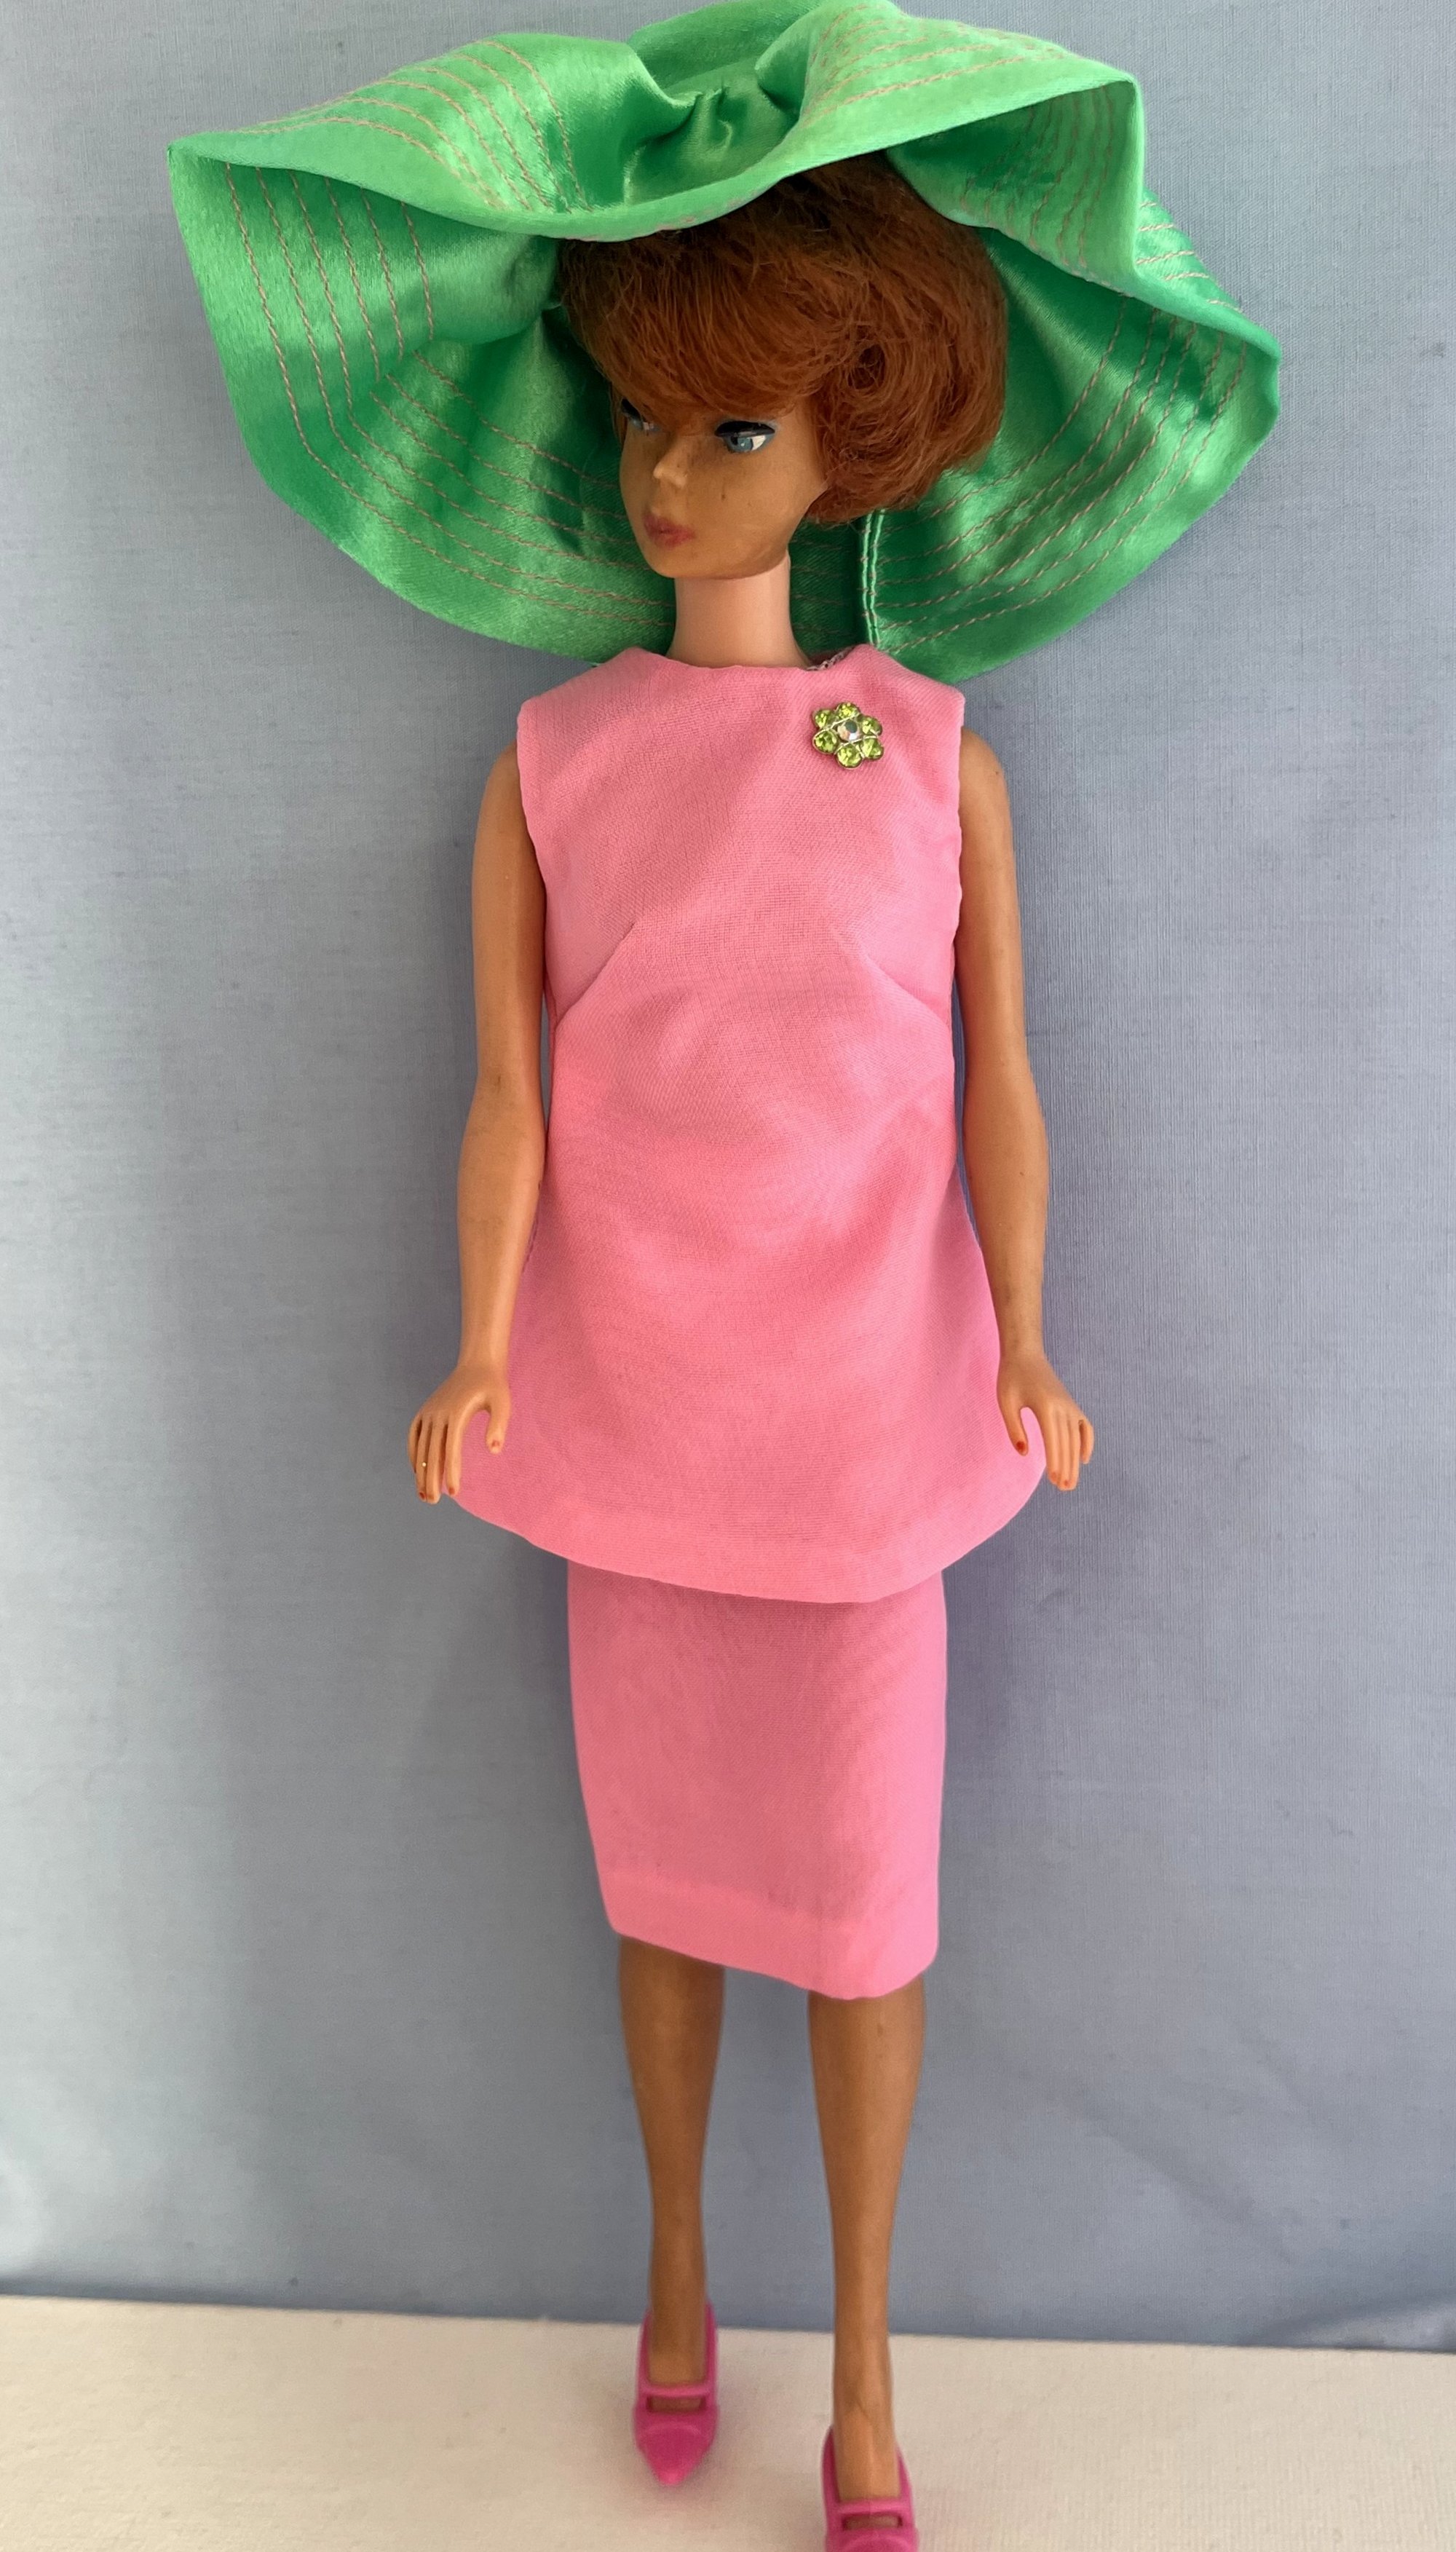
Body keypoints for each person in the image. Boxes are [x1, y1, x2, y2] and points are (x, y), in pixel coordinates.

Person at [167, 9, 1280, 2540]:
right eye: (649, 423)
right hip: (637, 1410)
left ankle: (869, 2374)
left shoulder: (933, 756)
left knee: (865, 1913)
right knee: (663, 1887)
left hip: (872, 1426)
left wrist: (1028, 1335)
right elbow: (513, 1095)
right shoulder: (554, 765)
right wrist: (477, 1342)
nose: (671, 475)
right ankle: (674, 2276)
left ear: (854, 438)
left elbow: (996, 1086)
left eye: (736, 427)